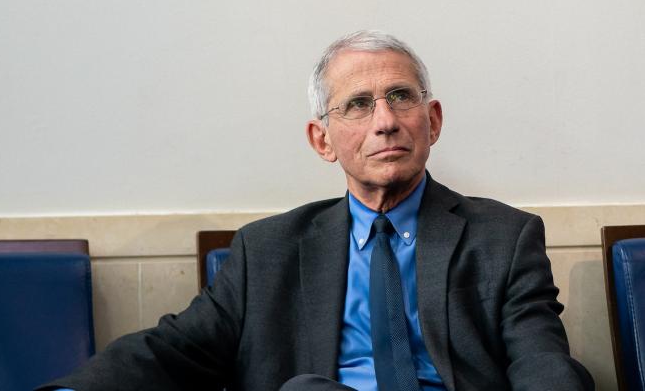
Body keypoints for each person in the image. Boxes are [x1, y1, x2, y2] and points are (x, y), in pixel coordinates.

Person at [39, 30, 594, 391]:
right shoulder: (267, 250)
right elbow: (176, 348)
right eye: (358, 104)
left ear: (434, 121)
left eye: (401, 97)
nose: (385, 121)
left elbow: (540, 358)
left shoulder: (503, 236)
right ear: (322, 140)